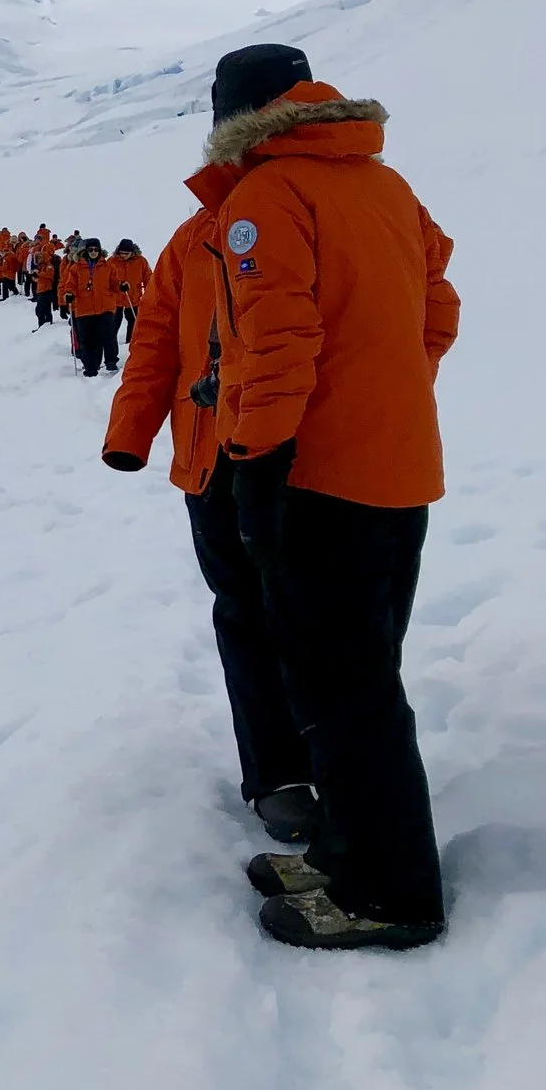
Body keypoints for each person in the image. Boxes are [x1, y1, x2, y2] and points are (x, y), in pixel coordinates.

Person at [202, 43, 458, 950]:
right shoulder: (385, 186)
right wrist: (386, 395)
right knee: (357, 677)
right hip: (397, 471)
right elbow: (438, 308)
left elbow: (276, 343)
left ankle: (389, 891)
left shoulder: (268, 198)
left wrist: (258, 465)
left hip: (319, 479)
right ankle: (353, 849)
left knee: (344, 689)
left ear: (239, 112)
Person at [101, 151, 317, 850]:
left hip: (306, 454)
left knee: (314, 612)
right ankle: (279, 774)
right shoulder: (193, 239)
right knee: (246, 614)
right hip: (213, 459)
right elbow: (157, 338)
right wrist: (129, 432)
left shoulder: (324, 212)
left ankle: (337, 759)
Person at [65, 239, 125, 376]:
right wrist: (69, 294)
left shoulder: (108, 266)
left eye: (96, 250)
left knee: (107, 336)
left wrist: (121, 285)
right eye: (90, 250)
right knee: (87, 340)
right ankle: (91, 367)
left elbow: (114, 283)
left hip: (105, 307)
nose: (93, 252)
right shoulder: (76, 268)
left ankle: (111, 362)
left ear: (100, 250)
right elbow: (70, 285)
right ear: (86, 251)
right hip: (84, 309)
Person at [115, 238, 151, 337]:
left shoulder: (141, 261)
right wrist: (118, 285)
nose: (123, 256)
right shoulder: (112, 261)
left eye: (126, 253)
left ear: (132, 252)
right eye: (121, 253)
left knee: (133, 323)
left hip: (133, 298)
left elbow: (148, 277)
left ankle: (130, 343)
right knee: (114, 324)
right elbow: (107, 278)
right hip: (115, 299)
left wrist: (150, 293)